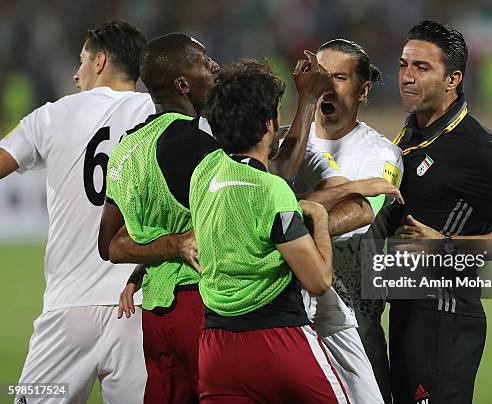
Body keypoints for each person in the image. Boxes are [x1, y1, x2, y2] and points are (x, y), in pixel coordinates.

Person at [98, 36, 334, 402]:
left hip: (156, 314)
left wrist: (143, 268)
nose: (215, 69)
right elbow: (271, 178)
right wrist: (306, 100)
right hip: (202, 304)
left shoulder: (128, 146)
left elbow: (110, 244)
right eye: (205, 63)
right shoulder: (191, 145)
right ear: (182, 85)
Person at [376, 20, 492, 403]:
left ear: (453, 79)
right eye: (403, 65)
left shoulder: (477, 149)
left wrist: (446, 244)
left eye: (422, 68)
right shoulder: (412, 131)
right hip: (407, 310)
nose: (407, 76)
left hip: (443, 319)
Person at [0, 21, 151, 403]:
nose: (75, 72)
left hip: (68, 313)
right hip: (140, 310)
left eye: (81, 60)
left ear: (99, 61)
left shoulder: (51, 115)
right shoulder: (161, 116)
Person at [191, 59, 348, 403]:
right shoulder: (272, 192)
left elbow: (263, 169)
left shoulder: (204, 173)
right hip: (279, 342)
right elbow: (318, 281)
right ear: (268, 124)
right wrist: (319, 220)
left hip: (216, 351)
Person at [292, 39, 404, 404]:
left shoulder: (380, 154)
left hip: (355, 317)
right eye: (320, 77)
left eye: (339, 78)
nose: (326, 86)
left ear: (363, 90)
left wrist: (280, 226)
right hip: (290, 316)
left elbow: (361, 215)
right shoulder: (286, 143)